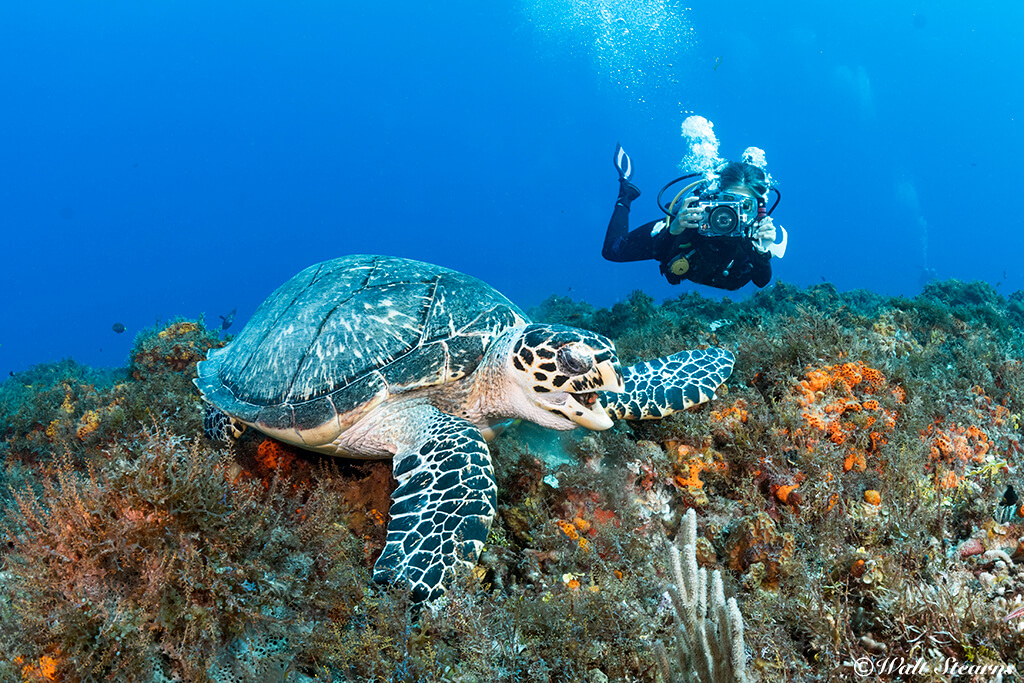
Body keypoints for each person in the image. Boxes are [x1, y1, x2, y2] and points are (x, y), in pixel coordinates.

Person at [602, 145, 786, 291]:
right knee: (612, 251)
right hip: (683, 241)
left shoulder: (754, 231)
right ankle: (625, 195)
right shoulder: (695, 218)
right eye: (729, 200)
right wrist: (673, 230)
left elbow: (762, 281)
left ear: (757, 208)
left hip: (722, 276)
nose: (732, 213)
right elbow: (659, 254)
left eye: (745, 206)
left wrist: (762, 251)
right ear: (716, 196)